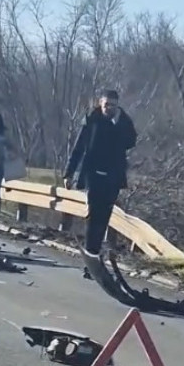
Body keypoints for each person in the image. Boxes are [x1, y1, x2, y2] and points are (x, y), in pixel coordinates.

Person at [62, 89, 137, 257]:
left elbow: (130, 142)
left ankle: (95, 253)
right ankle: (91, 253)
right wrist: (69, 173)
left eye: (113, 106)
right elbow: (78, 148)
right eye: (106, 105)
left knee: (105, 216)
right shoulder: (91, 121)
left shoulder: (122, 122)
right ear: (100, 104)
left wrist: (119, 122)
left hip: (113, 176)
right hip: (93, 174)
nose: (109, 108)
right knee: (94, 215)